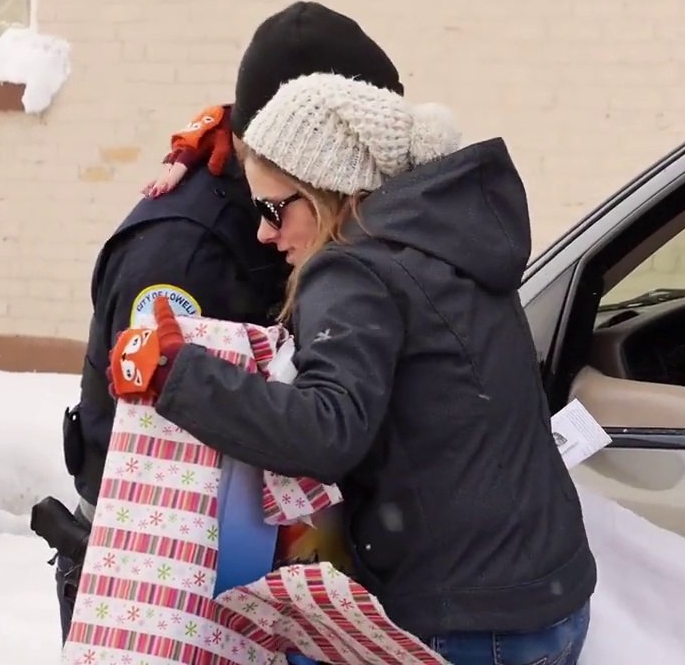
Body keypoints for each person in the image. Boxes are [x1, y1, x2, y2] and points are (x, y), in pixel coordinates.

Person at [107, 72, 596, 664]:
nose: (263, 232)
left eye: (272, 208)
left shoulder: (354, 272)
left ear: (327, 191)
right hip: (546, 596)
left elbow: (326, 428)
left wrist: (178, 376)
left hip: (467, 621)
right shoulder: (447, 241)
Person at [45, 0, 408, 644]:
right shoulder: (186, 252)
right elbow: (155, 442)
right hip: (163, 574)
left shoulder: (297, 203)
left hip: (246, 555)